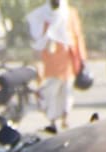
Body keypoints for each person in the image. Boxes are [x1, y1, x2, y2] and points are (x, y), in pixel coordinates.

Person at [28, 0, 86, 132]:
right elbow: (38, 37)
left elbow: (77, 36)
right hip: (50, 59)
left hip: (67, 59)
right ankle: (52, 121)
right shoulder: (43, 14)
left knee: (66, 90)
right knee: (51, 92)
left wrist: (82, 58)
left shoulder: (70, 13)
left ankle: (66, 118)